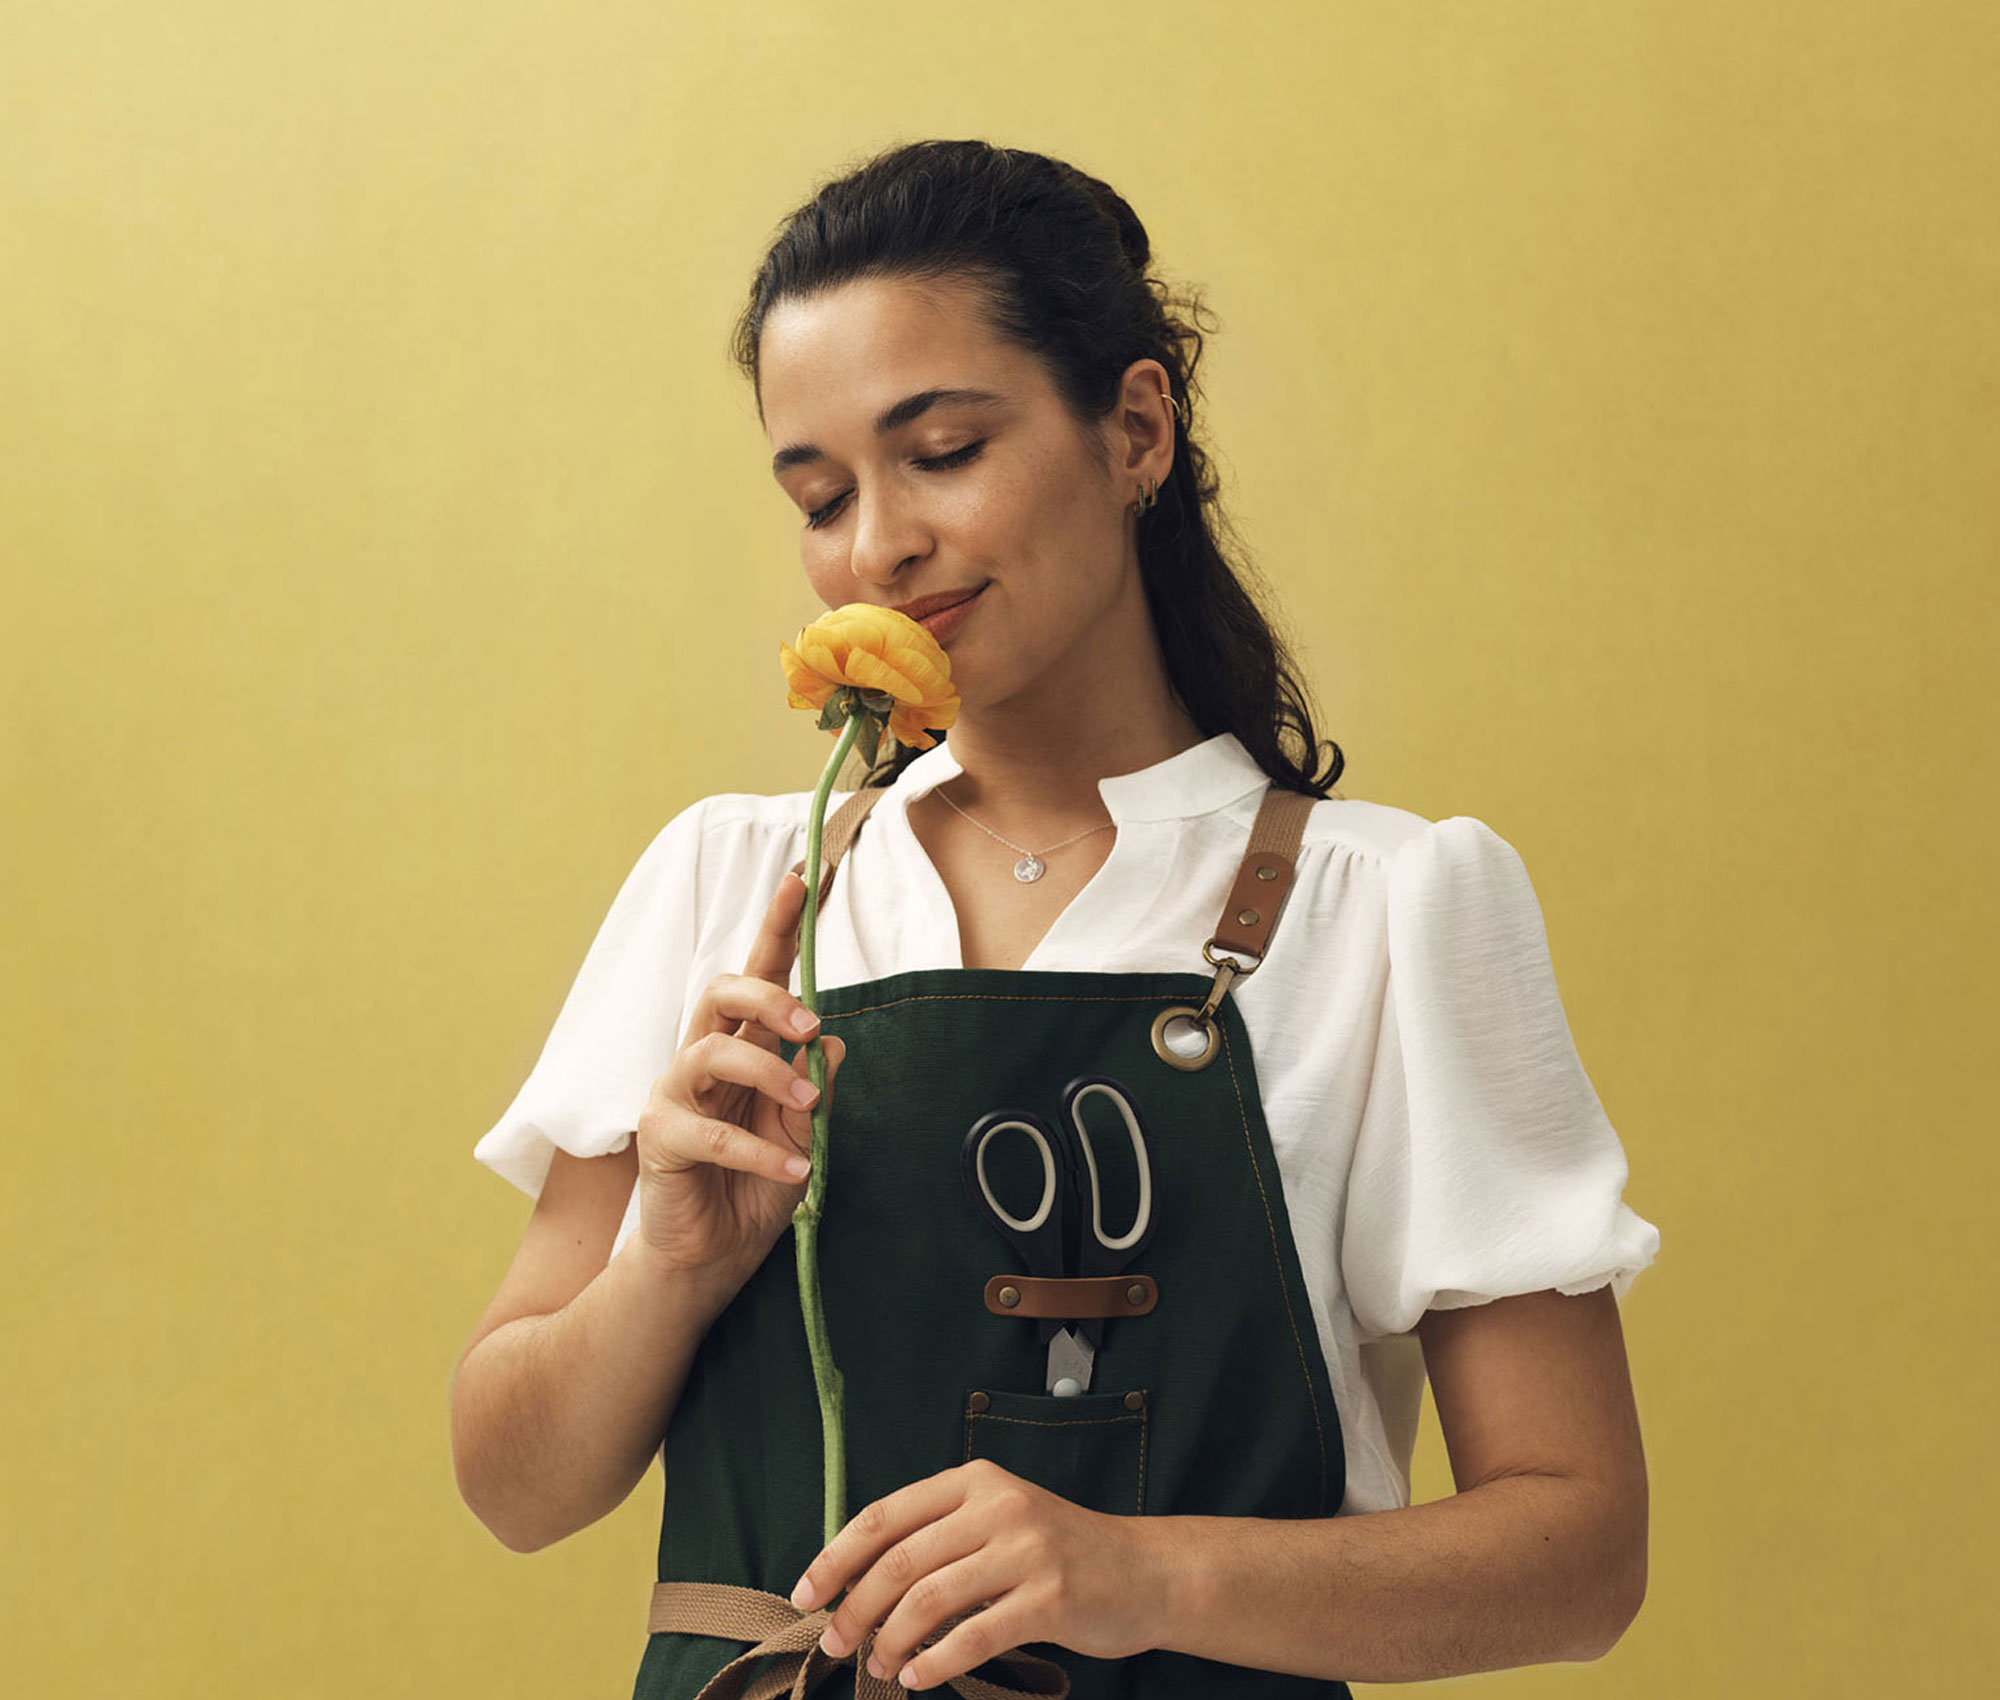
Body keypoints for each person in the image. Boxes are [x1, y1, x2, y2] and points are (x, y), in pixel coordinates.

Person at [451, 138, 1661, 1700]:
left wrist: (1136, 1572)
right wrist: (665, 1267)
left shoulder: (1387, 909)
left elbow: (1579, 1554)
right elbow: (514, 1488)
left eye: (941, 450)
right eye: (820, 495)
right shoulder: (729, 885)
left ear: (1136, 429)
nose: (876, 542)